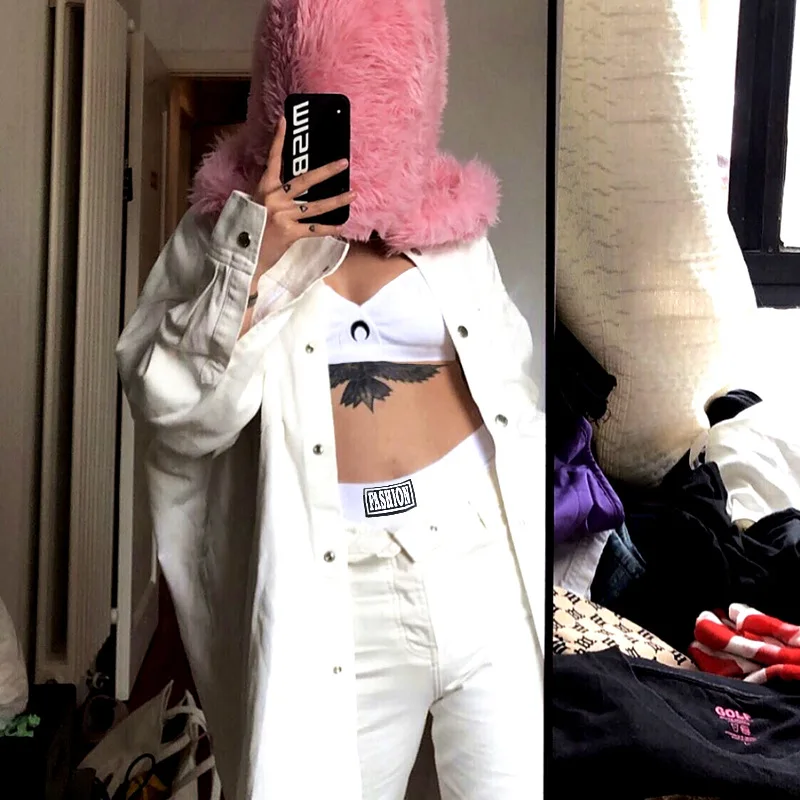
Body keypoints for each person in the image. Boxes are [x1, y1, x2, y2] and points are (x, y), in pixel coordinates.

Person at [116, 1, 544, 798]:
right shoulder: (226, 232)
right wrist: (259, 253)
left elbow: (509, 380)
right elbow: (172, 411)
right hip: (339, 577)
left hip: (478, 553)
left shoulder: (453, 224)